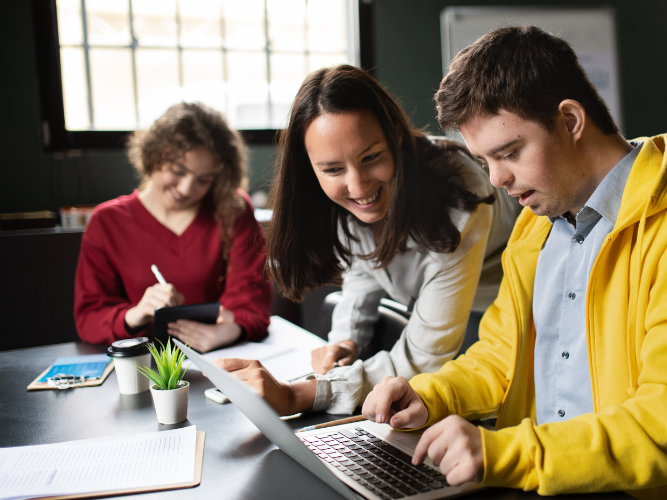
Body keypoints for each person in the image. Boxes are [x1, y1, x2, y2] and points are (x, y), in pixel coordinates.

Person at [361, 26, 667, 499]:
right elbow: (502, 355)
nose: (499, 179)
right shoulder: (536, 227)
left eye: (509, 152)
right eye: (485, 162)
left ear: (569, 120)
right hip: (556, 485)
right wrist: (431, 395)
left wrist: (508, 455)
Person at [214, 65, 519, 416]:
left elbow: (424, 356)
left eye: (371, 157)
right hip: (442, 320)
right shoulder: (342, 204)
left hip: (502, 311)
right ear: (310, 170)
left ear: (397, 139)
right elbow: (363, 268)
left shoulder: (460, 192)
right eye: (332, 169)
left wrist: (301, 394)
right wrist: (346, 340)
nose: (358, 187)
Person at [74, 102, 272, 353]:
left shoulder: (233, 209)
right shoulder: (107, 221)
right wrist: (135, 314)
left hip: (218, 358)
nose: (186, 189)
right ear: (154, 156)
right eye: (178, 171)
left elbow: (251, 301)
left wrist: (228, 331)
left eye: (204, 180)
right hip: (140, 365)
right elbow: (89, 317)